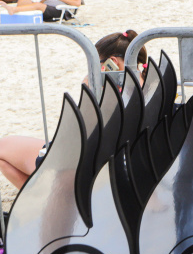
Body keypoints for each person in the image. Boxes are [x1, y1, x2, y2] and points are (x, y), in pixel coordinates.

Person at [0, 31, 148, 189]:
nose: (93, 69)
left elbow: (79, 132)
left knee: (3, 148)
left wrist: (89, 92)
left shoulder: (114, 94)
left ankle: (49, 206)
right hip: (125, 163)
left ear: (111, 63)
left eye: (97, 64)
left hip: (86, 168)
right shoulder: (147, 84)